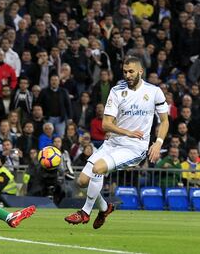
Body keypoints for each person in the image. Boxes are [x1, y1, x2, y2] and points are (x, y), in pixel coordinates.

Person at [65, 56, 169, 229]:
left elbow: (164, 120)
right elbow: (106, 124)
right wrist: (127, 131)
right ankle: (105, 208)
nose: (127, 75)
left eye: (131, 71)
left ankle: (84, 212)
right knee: (82, 181)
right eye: (125, 72)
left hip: (135, 147)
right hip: (112, 143)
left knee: (98, 168)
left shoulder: (154, 91)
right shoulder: (117, 91)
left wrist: (158, 142)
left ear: (140, 72)